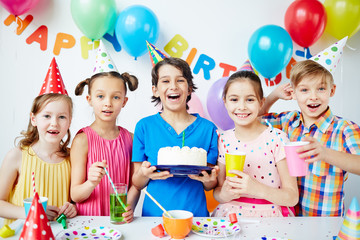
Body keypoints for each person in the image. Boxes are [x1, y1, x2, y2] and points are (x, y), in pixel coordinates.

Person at [262, 59, 360, 216]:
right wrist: (274, 95)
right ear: (293, 93)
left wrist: (325, 153)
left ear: (332, 90)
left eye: (321, 89)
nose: (313, 97)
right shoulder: (288, 121)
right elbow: (255, 117)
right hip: (289, 219)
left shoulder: (345, 129)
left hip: (325, 224)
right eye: (304, 90)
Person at [131, 57, 219, 217]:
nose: (173, 86)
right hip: (155, 216)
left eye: (180, 80)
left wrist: (209, 180)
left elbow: (210, 185)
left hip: (196, 216)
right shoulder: (144, 127)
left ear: (190, 88)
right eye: (165, 81)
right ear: (155, 90)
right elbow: (137, 182)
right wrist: (144, 174)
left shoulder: (208, 129)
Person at [212, 70, 298, 218]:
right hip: (230, 215)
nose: (242, 107)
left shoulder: (277, 139)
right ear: (225, 102)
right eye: (234, 99)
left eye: (250, 100)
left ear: (261, 102)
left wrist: (256, 189)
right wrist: (224, 194)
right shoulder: (223, 140)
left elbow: (292, 197)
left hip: (270, 216)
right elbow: (217, 192)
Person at [0, 59, 77, 226]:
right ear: (34, 119)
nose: (54, 123)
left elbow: (75, 199)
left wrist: (73, 207)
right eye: (47, 116)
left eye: (62, 117)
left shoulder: (73, 158)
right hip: (22, 234)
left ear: (69, 121)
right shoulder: (17, 156)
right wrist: (30, 211)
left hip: (59, 234)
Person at [70, 70, 140, 223]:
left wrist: (131, 205)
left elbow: (136, 184)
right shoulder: (82, 140)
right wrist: (91, 183)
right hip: (88, 224)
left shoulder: (131, 139)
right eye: (100, 96)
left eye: (116, 97)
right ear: (89, 99)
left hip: (119, 221)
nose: (108, 103)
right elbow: (75, 195)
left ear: (124, 101)